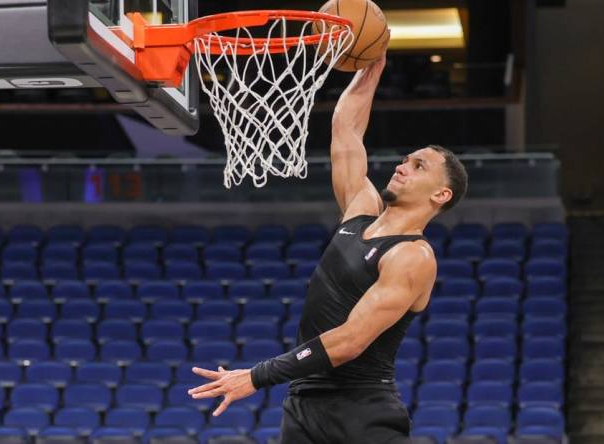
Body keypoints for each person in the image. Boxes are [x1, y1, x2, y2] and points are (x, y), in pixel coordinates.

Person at [186, 49, 469, 443]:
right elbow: (346, 130)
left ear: (441, 194)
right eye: (406, 159)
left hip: (360, 412)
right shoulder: (360, 209)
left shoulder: (412, 255)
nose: (402, 165)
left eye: (418, 165)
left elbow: (350, 341)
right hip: (303, 404)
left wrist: (256, 375)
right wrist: (372, 68)